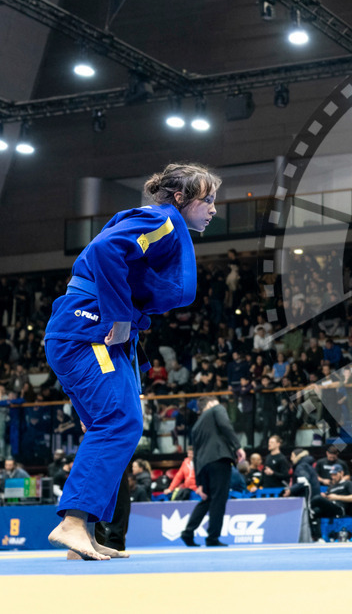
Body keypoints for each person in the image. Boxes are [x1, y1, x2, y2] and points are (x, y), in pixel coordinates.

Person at [44, 163, 220, 561]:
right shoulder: (161, 221)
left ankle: (83, 536)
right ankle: (72, 523)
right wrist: (120, 317)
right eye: (206, 200)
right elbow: (107, 250)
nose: (213, 209)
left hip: (95, 333)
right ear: (180, 198)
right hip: (88, 329)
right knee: (120, 422)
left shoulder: (163, 226)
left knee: (116, 427)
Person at [181, 396, 245, 547]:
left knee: (207, 499)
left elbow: (195, 454)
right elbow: (225, 425)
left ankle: (188, 532)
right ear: (210, 403)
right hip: (219, 459)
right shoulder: (217, 408)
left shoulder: (196, 426)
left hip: (204, 466)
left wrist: (199, 482)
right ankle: (212, 537)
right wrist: (237, 446)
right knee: (219, 500)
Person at [309, 464, 352, 541]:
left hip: (340, 509)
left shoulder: (348, 483)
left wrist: (336, 497)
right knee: (314, 512)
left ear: (341, 473)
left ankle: (305, 507)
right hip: (330, 509)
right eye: (332, 475)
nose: (333, 477)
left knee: (317, 498)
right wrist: (325, 497)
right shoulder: (331, 486)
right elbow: (329, 498)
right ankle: (318, 538)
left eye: (335, 474)